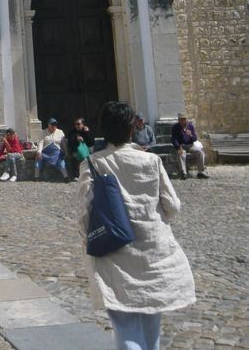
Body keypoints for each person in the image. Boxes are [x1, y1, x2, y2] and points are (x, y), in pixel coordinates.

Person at [78, 101, 196, 350]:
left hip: (115, 253)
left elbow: (85, 215)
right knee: (152, 324)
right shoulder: (151, 161)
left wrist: (90, 243)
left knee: (125, 325)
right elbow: (173, 205)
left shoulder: (93, 163)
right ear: (132, 130)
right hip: (154, 251)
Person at [171, 112, 208, 179]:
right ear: (179, 120)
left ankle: (200, 172)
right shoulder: (175, 127)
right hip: (181, 146)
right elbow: (174, 139)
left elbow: (195, 138)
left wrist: (191, 135)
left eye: (185, 119)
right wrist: (178, 147)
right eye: (182, 119)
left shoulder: (190, 126)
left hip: (190, 145)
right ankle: (183, 173)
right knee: (181, 154)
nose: (184, 121)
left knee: (200, 153)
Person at [34, 117, 70, 182]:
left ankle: (66, 177)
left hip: (56, 152)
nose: (54, 126)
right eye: (52, 125)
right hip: (45, 152)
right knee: (38, 158)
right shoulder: (44, 132)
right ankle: (36, 177)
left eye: (55, 125)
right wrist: (39, 152)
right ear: (48, 125)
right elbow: (41, 142)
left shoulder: (60, 132)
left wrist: (66, 152)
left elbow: (63, 143)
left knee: (61, 161)